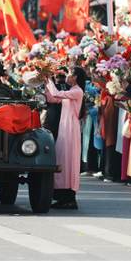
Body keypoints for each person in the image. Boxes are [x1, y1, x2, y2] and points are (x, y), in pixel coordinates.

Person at [39, 67, 85, 209]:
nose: (67, 76)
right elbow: (52, 98)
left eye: (70, 74)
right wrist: (46, 83)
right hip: (65, 128)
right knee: (62, 160)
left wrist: (49, 78)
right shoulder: (72, 91)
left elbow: (56, 93)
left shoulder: (77, 91)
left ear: (75, 77)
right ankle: (61, 197)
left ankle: (69, 198)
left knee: (68, 162)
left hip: (70, 129)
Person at [43, 68, 71, 141]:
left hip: (51, 122)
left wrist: (46, 81)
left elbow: (47, 100)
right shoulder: (71, 88)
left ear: (55, 76)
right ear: (66, 76)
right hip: (66, 123)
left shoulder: (52, 88)